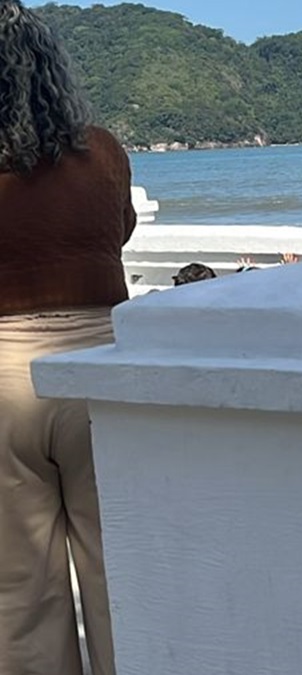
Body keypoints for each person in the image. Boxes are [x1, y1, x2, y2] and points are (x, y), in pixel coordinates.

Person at [0, 2, 126, 673]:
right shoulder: (101, 153)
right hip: (100, 371)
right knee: (118, 574)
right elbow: (121, 230)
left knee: (20, 593)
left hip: (2, 381)